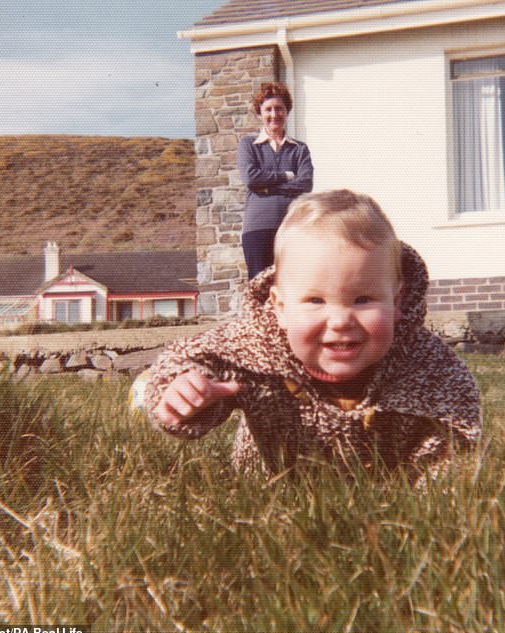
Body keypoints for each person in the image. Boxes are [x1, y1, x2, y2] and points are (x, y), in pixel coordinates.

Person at [144, 190, 481, 491]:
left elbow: (457, 429)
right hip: (268, 498)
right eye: (316, 301)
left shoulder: (425, 364)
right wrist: (181, 391)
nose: (340, 320)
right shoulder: (255, 345)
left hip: (387, 504)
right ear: (280, 307)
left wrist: (435, 492)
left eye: (363, 299)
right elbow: (187, 357)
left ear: (396, 302)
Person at [238, 81, 314, 279]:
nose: (274, 114)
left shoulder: (299, 149)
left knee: (292, 285)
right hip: (258, 229)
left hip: (292, 228)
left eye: (279, 108)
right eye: (268, 109)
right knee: (260, 290)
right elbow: (251, 179)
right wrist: (287, 176)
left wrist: (267, 189)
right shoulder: (248, 145)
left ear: (286, 111)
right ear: (260, 113)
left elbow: (305, 184)